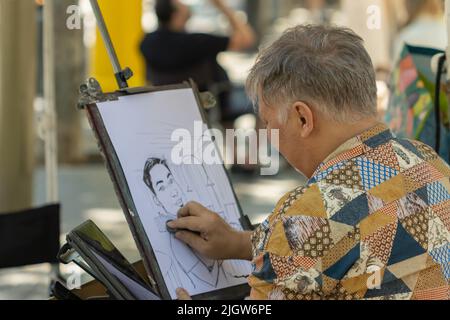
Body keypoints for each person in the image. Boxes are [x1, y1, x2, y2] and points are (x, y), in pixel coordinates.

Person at [169, 25, 450, 300]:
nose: (269, 137)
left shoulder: (309, 213)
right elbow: (342, 239)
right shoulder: (427, 159)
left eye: (268, 123)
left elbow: (321, 235)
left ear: (303, 118)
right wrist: (237, 242)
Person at [140, 0, 255, 121]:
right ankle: (244, 139)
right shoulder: (196, 43)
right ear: (175, 15)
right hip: (208, 104)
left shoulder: (147, 43)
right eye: (181, 3)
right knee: (258, 101)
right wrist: (222, 7)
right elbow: (247, 38)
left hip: (167, 108)